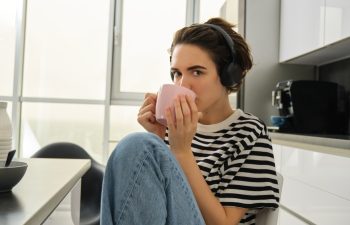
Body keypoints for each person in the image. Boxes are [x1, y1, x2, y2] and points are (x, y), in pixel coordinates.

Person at [101, 17, 280, 225]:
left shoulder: (251, 133)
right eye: (177, 73)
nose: (183, 84)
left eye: (196, 72)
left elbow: (223, 223)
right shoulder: (174, 130)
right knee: (138, 144)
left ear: (227, 76)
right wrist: (157, 140)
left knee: (137, 144)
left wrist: (182, 151)